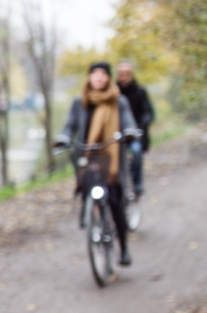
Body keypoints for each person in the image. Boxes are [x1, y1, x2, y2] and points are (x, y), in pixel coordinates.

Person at [56, 61, 143, 266]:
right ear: (89, 77)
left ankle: (124, 249)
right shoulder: (79, 101)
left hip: (111, 156)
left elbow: (128, 122)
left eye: (103, 74)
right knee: (87, 186)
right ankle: (87, 210)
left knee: (114, 200)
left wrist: (129, 133)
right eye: (95, 73)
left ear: (108, 78)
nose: (99, 77)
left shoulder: (118, 101)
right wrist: (63, 138)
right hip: (87, 154)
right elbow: (70, 125)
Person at [115, 60, 154, 197]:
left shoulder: (140, 92)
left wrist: (142, 125)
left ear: (131, 75)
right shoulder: (113, 93)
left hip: (134, 135)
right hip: (115, 135)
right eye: (121, 74)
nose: (123, 77)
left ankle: (137, 184)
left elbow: (148, 113)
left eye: (126, 73)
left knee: (136, 152)